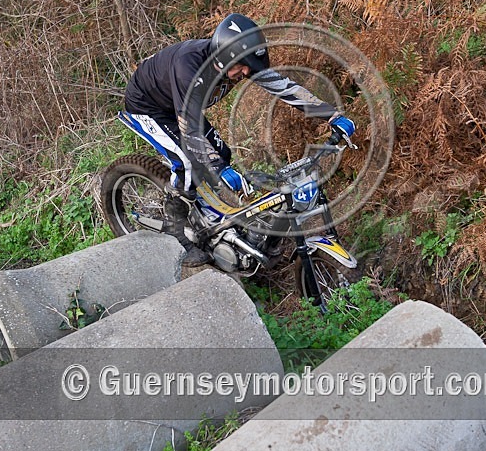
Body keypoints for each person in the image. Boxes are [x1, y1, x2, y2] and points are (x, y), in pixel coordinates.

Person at [119, 13, 356, 266]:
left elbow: (283, 87)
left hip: (182, 106)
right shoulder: (189, 69)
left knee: (221, 154)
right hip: (149, 108)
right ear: (222, 60)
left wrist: (330, 115)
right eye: (241, 66)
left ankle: (206, 214)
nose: (245, 72)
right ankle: (178, 234)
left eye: (248, 67)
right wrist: (219, 169)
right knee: (189, 162)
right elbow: (189, 132)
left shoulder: (235, 62)